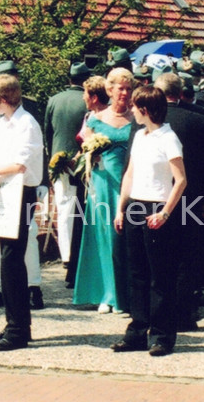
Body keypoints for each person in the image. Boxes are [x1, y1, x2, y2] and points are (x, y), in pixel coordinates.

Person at [111, 84, 188, 356]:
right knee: (137, 274)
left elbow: (181, 180)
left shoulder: (169, 138)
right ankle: (136, 332)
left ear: (145, 109)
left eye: (135, 106)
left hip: (158, 209)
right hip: (135, 205)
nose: (131, 109)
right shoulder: (139, 136)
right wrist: (121, 208)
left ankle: (162, 336)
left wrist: (165, 213)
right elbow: (130, 175)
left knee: (160, 277)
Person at [0, 71, 44, 352]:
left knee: (12, 259)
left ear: (2, 99)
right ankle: (14, 321)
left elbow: (19, 165)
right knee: (7, 259)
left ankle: (19, 330)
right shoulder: (3, 124)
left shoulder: (27, 124)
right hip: (4, 191)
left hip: (22, 193)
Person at [155, 71, 204, 325]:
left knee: (164, 257)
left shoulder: (149, 121)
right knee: (190, 256)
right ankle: (186, 310)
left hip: (157, 197)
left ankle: (165, 308)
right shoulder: (202, 118)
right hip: (194, 198)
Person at [73, 67, 137, 312]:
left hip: (129, 184)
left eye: (129, 88)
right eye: (120, 88)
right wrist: (90, 156)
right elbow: (85, 153)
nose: (125, 93)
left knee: (125, 239)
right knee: (103, 237)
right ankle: (107, 294)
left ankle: (125, 295)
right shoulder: (94, 119)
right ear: (109, 90)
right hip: (102, 184)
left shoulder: (137, 118)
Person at [44, 61, 90, 286]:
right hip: (82, 161)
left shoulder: (54, 100)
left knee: (63, 209)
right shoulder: (87, 100)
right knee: (83, 209)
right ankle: (78, 255)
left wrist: (53, 156)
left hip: (59, 160)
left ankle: (66, 255)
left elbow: (48, 132)